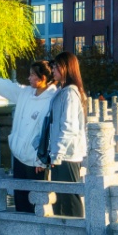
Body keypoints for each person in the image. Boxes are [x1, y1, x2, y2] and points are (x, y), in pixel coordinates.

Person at [0, 61, 56, 212]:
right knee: (20, 199)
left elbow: (52, 131)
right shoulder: (25, 93)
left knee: (37, 203)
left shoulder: (53, 99)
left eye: (32, 75)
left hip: (37, 161)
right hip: (19, 156)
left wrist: (44, 159)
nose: (29, 78)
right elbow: (6, 86)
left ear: (43, 78)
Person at [40, 51, 87, 216]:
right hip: (60, 154)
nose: (53, 70)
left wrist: (57, 154)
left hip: (67, 155)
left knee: (70, 198)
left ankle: (77, 230)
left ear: (66, 68)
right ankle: (64, 230)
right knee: (60, 198)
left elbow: (69, 127)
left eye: (56, 66)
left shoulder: (70, 93)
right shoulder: (62, 91)